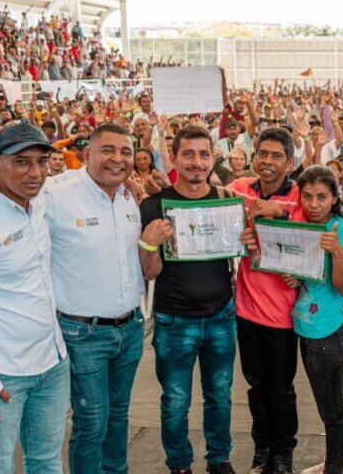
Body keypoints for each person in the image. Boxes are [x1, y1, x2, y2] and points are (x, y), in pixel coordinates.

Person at [44, 123, 146, 474]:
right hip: (82, 333)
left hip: (131, 328)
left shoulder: (133, 196)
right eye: (108, 150)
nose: (117, 159)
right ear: (87, 154)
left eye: (126, 152)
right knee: (91, 422)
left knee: (119, 416)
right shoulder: (56, 196)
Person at [139, 125, 238, 474]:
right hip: (173, 320)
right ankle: (179, 464)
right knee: (175, 403)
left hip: (221, 317)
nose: (197, 162)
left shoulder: (227, 200)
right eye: (189, 154)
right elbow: (149, 272)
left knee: (220, 398)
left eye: (203, 154)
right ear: (175, 158)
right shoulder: (154, 204)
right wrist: (150, 244)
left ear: (213, 158)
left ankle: (219, 459)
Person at [0, 122, 69, 474]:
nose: (35, 172)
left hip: (52, 362)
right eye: (22, 162)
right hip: (3, 373)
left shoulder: (41, 200)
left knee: (47, 461)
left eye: (42, 161)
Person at [227, 128, 306, 474]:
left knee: (282, 389)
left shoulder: (304, 196)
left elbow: (319, 237)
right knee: (256, 387)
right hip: (246, 311)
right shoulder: (240, 189)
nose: (268, 162)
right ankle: (263, 449)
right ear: (253, 156)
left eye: (277, 156)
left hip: (284, 317)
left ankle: (284, 452)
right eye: (262, 154)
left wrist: (279, 212)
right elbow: (205, 202)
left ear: (290, 162)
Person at [286, 166, 343, 474]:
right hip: (307, 329)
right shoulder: (305, 225)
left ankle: (336, 469)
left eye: (322, 197)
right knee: (324, 405)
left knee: (332, 411)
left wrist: (338, 252)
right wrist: (294, 278)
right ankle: (333, 462)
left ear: (334, 198)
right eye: (308, 196)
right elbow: (312, 275)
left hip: (327, 334)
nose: (314, 204)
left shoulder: (339, 229)